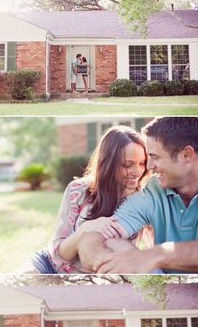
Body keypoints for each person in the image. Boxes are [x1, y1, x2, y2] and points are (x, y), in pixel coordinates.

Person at [77, 116, 198, 275]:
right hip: (169, 292)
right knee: (115, 244)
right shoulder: (154, 191)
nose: (148, 167)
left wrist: (154, 255)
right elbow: (94, 238)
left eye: (155, 157)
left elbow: (147, 257)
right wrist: (107, 260)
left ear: (186, 155)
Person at [31, 125, 151, 273]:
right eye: (127, 165)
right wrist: (86, 229)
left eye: (142, 163)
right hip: (50, 267)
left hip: (95, 279)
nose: (137, 172)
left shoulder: (143, 200)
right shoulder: (78, 190)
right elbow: (58, 254)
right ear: (108, 163)